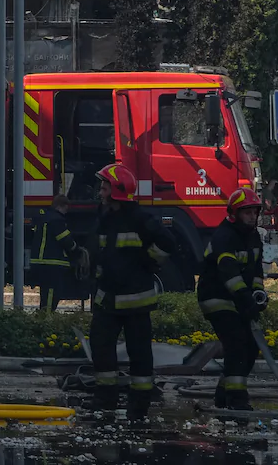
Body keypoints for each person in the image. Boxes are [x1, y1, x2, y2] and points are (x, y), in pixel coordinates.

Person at [88, 162, 178, 420]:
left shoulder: (140, 219)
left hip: (136, 301)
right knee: (101, 347)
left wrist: (149, 262)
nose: (101, 192)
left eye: (105, 187)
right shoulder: (105, 217)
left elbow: (168, 243)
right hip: (109, 298)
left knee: (139, 354)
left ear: (116, 191)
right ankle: (105, 399)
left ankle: (139, 405)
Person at [199, 187, 267, 411]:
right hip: (216, 297)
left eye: (255, 212)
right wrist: (245, 298)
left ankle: (223, 393)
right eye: (247, 212)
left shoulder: (254, 236)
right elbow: (229, 273)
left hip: (239, 298)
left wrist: (258, 295)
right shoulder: (224, 236)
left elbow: (256, 271)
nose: (252, 217)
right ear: (234, 213)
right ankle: (237, 400)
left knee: (250, 349)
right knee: (236, 344)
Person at [29, 193, 86, 312]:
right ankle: (46, 320)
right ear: (61, 206)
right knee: (51, 294)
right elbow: (66, 241)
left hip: (42, 263)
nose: (67, 211)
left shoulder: (46, 218)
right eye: (66, 208)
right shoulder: (57, 220)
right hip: (51, 263)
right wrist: (78, 251)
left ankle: (44, 317)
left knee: (46, 293)